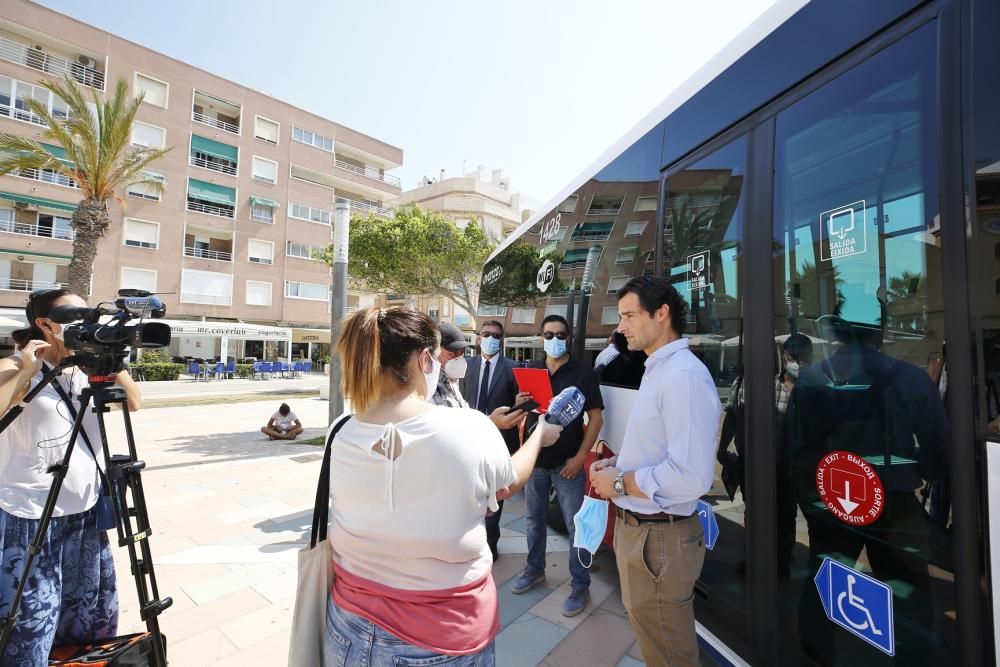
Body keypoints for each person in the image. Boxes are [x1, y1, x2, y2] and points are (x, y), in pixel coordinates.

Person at [323, 307, 562, 665]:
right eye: (437, 357)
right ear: (424, 359)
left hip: (346, 630)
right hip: (442, 637)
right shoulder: (469, 426)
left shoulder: (339, 430)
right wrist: (540, 435)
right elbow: (508, 482)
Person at [0, 288, 142, 666]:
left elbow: (133, 401)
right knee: (31, 623)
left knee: (85, 621)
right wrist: (28, 370)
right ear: (44, 324)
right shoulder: (14, 365)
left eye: (87, 312)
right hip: (30, 517)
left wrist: (108, 362)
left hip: (86, 512)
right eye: (72, 315)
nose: (83, 321)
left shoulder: (90, 369)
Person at [590, 276, 720, 667]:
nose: (621, 326)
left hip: (658, 539)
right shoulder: (657, 369)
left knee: (667, 651)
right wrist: (618, 463)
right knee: (653, 638)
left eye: (630, 315)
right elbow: (658, 448)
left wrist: (617, 482)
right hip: (644, 533)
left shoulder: (682, 376)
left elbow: (691, 475)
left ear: (662, 314)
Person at [510, 314, 604, 618]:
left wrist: (579, 458)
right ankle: (534, 569)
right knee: (533, 521)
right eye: (548, 334)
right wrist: (520, 401)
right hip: (537, 462)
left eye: (560, 334)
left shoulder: (584, 373)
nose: (554, 340)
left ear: (568, 338)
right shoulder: (531, 370)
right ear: (540, 338)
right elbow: (525, 413)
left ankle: (580, 585)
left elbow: (596, 418)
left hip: (567, 465)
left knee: (577, 527)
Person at [461, 319, 522, 559]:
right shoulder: (466, 366)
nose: (491, 339)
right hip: (468, 439)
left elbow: (521, 403)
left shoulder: (512, 367)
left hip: (500, 441)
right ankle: (469, 538)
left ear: (502, 340)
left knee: (496, 494)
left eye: (496, 335)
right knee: (468, 491)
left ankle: (491, 544)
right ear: (478, 337)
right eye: (486, 334)